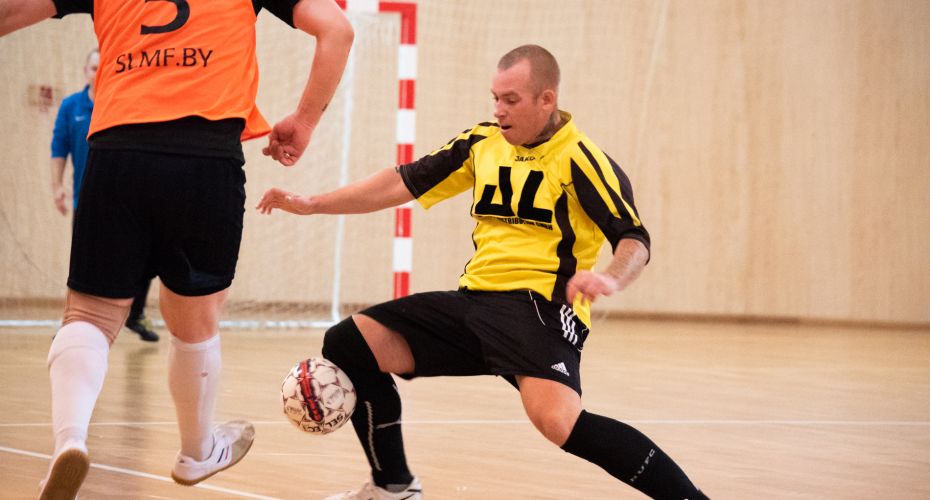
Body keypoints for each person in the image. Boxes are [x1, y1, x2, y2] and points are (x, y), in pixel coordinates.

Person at [257, 44, 709, 500]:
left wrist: (610, 277)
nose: (498, 110)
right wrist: (313, 204)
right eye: (495, 98)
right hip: (473, 303)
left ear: (546, 100)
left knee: (558, 423)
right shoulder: (481, 143)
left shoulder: (581, 159)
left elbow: (634, 239)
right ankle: (392, 486)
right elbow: (402, 180)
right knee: (350, 342)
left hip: (539, 310)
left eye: (511, 100)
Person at [1, 0, 353, 498]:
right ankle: (196, 451)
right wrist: (304, 121)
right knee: (195, 320)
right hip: (205, 158)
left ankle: (70, 440)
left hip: (117, 151)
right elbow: (337, 30)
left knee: (91, 315)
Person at [51, 48, 159, 342]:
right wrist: (57, 186)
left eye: (103, 66)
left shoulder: (127, 101)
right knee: (82, 264)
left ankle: (135, 315)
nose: (98, 73)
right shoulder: (71, 106)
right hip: (86, 199)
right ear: (85, 71)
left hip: (131, 197)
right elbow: (59, 148)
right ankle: (71, 323)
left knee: (145, 259)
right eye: (93, 67)